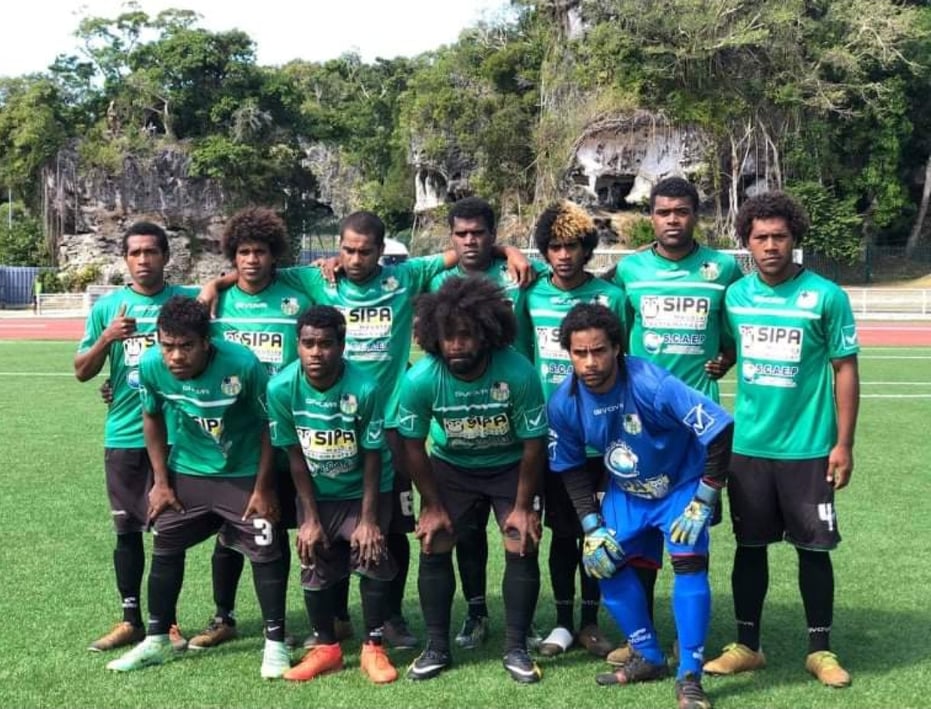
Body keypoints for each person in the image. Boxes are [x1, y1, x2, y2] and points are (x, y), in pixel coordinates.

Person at [200, 209, 531, 651]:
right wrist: (214, 283)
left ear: (382, 251)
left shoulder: (407, 275)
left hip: (393, 426)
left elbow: (463, 253)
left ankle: (391, 618)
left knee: (394, 527)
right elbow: (257, 270)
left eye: (365, 251)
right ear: (338, 249)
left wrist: (508, 248)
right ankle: (336, 619)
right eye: (348, 250)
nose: (355, 259)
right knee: (330, 516)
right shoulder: (316, 279)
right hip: (330, 422)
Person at [703, 191, 860, 689]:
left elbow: (845, 369)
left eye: (779, 237)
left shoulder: (826, 296)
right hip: (748, 447)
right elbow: (728, 344)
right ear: (746, 242)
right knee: (750, 547)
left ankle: (821, 650)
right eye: (760, 237)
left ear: (795, 239)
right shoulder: (736, 296)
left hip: (809, 449)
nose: (770, 245)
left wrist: (844, 444)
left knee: (813, 550)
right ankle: (748, 646)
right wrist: (724, 360)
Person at [547, 302, 733, 709]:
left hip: (681, 487)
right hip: (628, 492)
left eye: (599, 351)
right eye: (580, 353)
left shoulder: (652, 383)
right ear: (569, 354)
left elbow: (719, 427)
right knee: (601, 561)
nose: (590, 362)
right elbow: (571, 467)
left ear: (617, 348)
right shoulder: (563, 402)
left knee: (688, 562)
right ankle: (648, 657)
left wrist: (705, 496)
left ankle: (690, 675)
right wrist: (591, 526)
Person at [105, 296, 291, 678]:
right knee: (166, 542)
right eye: (167, 345)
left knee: (267, 548)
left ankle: (275, 644)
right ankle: (156, 640)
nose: (175, 356)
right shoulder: (152, 365)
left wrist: (263, 487)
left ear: (206, 342)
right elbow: (152, 417)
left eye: (186, 346)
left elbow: (268, 426)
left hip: (242, 472)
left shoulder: (243, 364)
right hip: (188, 470)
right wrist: (160, 482)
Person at [605, 176, 743, 666]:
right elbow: (607, 328)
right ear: (652, 217)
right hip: (640, 426)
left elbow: (734, 332)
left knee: (691, 533)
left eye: (681, 211)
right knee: (639, 537)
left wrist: (724, 358)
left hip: (699, 428)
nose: (671, 220)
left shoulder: (721, 268)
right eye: (662, 212)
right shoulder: (629, 271)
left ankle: (692, 636)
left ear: (694, 215)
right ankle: (643, 638)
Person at [398, 276, 548, 684]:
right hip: (453, 467)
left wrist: (521, 507)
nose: (456, 345)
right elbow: (411, 444)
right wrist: (430, 505)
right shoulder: (422, 378)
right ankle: (436, 647)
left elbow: (535, 443)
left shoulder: (517, 371)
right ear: (433, 337)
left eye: (466, 335)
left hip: (511, 465)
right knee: (435, 540)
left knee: (521, 541)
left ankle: (515, 647)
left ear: (486, 334)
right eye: (447, 337)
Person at [186, 207, 311, 652]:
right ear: (232, 256)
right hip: (238, 444)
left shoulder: (298, 295)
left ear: (274, 255)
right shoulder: (215, 305)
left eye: (260, 251)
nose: (252, 260)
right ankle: (224, 617)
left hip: (293, 438)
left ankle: (325, 616)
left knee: (304, 529)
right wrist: (213, 284)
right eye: (243, 252)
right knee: (232, 535)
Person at [427, 196, 546, 651]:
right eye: (462, 234)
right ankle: (475, 611)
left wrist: (513, 253)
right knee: (466, 534)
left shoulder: (517, 277)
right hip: (456, 434)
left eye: (479, 233)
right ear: (452, 239)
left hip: (513, 421)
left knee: (522, 532)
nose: (470, 241)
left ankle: (524, 622)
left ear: (493, 236)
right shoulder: (439, 281)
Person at [74, 221, 193, 653]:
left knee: (170, 531)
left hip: (177, 435)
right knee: (126, 533)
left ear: (165, 256)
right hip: (124, 434)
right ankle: (130, 619)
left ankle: (169, 621)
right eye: (135, 253)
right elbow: (82, 371)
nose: (143, 260)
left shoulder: (183, 304)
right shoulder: (110, 309)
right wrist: (108, 338)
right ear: (125, 259)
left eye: (151, 252)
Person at [266, 306, 399, 683]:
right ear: (298, 345)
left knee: (371, 552)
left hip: (365, 489)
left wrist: (370, 519)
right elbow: (294, 456)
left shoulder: (365, 388)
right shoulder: (280, 388)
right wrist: (308, 518)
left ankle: (374, 648)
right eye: (308, 343)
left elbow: (373, 456)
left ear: (342, 346)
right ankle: (326, 648)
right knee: (313, 553)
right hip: (318, 491)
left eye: (325, 344)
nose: (316, 352)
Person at [524, 200, 627, 659]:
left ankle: (591, 621)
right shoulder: (529, 295)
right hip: (552, 438)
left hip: (606, 438)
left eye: (572, 246)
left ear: (588, 249)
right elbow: (524, 363)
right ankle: (563, 622)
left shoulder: (612, 297)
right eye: (554, 246)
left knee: (600, 532)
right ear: (544, 251)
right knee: (564, 534)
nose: (563, 254)